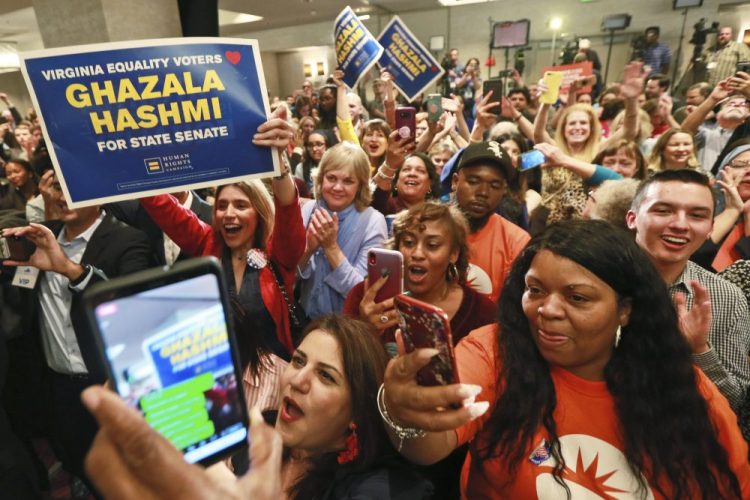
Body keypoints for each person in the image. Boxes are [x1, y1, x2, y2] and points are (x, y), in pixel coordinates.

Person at [382, 219, 749, 498]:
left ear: (624, 310)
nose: (548, 310)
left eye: (577, 298)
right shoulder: (494, 352)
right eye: (535, 290)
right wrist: (404, 410)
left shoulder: (681, 388)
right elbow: (431, 444)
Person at [84, 315, 432, 499]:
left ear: (356, 414)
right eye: (298, 360)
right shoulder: (257, 435)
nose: (298, 380)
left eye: (326, 377)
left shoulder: (381, 489)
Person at [140, 108, 305, 412]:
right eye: (222, 205)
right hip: (214, 383)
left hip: (268, 392)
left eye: (241, 206)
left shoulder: (278, 256)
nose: (229, 213)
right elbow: (160, 203)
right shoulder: (207, 242)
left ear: (258, 213)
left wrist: (280, 166)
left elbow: (288, 208)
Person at [1, 183, 154, 492]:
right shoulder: (39, 237)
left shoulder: (128, 239)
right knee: (78, 463)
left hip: (109, 383)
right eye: (57, 188)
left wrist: (72, 271)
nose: (64, 196)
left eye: (74, 187)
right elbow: (22, 301)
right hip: (58, 385)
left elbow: (128, 308)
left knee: (127, 473)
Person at [626, 169, 750, 413]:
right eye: (663, 211)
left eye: (696, 215)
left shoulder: (724, 297)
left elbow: (734, 401)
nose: (680, 225)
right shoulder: (597, 280)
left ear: (710, 228)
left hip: (683, 436)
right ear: (632, 218)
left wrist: (699, 351)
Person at [345, 201, 496, 353]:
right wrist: (365, 331)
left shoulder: (483, 314)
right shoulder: (363, 298)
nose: (417, 254)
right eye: (409, 242)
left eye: (432, 245)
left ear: (453, 254)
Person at [298, 142, 387, 319]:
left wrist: (331, 247)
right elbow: (289, 279)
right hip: (307, 324)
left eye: (348, 181)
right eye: (331, 178)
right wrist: (308, 250)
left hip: (349, 330)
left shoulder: (373, 221)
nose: (337, 187)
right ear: (321, 178)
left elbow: (363, 295)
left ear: (360, 186)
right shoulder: (308, 210)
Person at [450, 141, 530, 302]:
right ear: (455, 181)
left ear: (504, 190)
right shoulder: (427, 228)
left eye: (494, 185)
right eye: (473, 181)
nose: (483, 193)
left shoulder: (517, 242)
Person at [682, 79, 750, 172]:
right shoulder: (708, 134)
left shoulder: (746, 138)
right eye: (731, 104)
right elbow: (685, 131)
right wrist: (713, 98)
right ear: (719, 114)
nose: (737, 105)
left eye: (743, 105)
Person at [371, 152, 440, 216]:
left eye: (420, 171)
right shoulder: (386, 206)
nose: (412, 174)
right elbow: (375, 195)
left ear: (430, 184)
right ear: (395, 182)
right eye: (406, 169)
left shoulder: (437, 215)